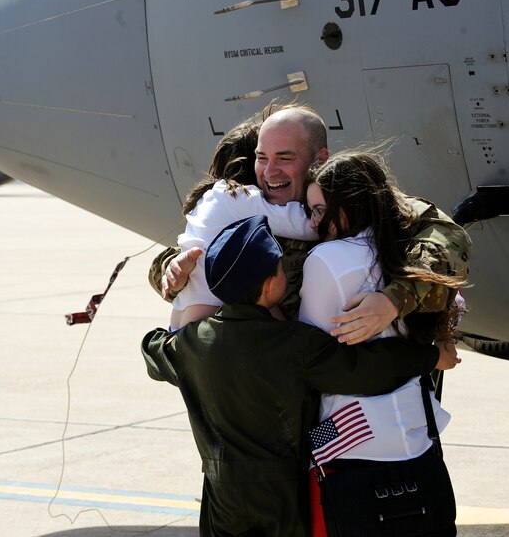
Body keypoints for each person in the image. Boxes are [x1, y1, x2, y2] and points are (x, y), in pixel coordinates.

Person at [141, 215, 461, 537]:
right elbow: (365, 370)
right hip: (281, 495)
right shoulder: (296, 344)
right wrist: (431, 356)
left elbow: (152, 348)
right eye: (281, 268)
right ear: (269, 286)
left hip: (221, 494)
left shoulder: (191, 344)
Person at [150, 101, 471, 333]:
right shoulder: (247, 199)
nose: (269, 171)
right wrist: (172, 270)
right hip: (271, 380)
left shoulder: (356, 201)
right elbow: (176, 257)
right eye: (262, 158)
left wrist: (393, 301)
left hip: (355, 385)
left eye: (285, 158)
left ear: (319, 159)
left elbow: (449, 241)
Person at [299, 151, 464, 537]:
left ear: (351, 203)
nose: (314, 223)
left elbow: (314, 362)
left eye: (322, 210)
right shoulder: (413, 252)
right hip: (415, 436)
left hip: (350, 443)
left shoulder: (327, 259)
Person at [167, 113, 317, 330]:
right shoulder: (240, 198)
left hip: (183, 316)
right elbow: (307, 226)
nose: (268, 171)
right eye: (262, 158)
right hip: (210, 318)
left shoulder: (211, 197)